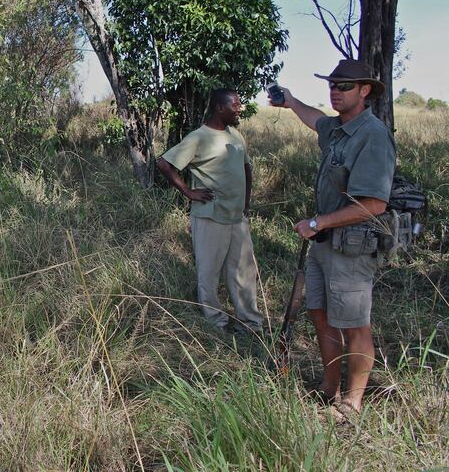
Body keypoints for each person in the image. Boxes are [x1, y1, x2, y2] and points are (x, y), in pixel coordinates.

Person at [271, 59, 395, 414]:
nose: (335, 92)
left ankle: (353, 402)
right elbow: (316, 120)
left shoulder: (372, 135)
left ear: (365, 90)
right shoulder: (339, 128)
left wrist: (317, 222)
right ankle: (330, 387)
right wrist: (292, 102)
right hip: (324, 242)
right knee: (319, 313)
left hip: (351, 246)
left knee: (355, 324)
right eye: (332, 86)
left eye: (344, 86)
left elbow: (373, 203)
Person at [157, 88, 265, 334]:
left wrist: (245, 203)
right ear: (219, 107)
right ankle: (216, 322)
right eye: (235, 105)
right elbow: (164, 164)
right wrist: (189, 192)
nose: (240, 109)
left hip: (237, 217)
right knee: (209, 272)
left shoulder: (236, 135)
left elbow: (246, 169)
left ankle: (251, 323)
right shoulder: (198, 137)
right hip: (210, 216)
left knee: (244, 272)